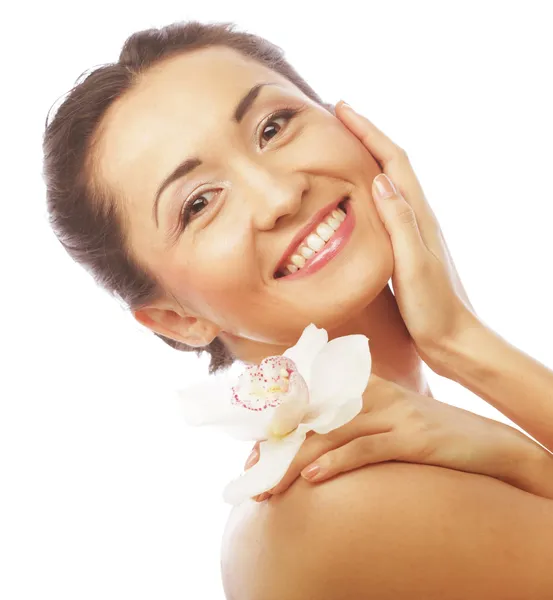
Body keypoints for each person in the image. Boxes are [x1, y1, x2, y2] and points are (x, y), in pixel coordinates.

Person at [42, 20, 553, 599]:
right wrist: (466, 344)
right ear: (177, 320)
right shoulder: (342, 504)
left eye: (273, 127)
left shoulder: (398, 462)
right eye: (200, 203)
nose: (280, 196)